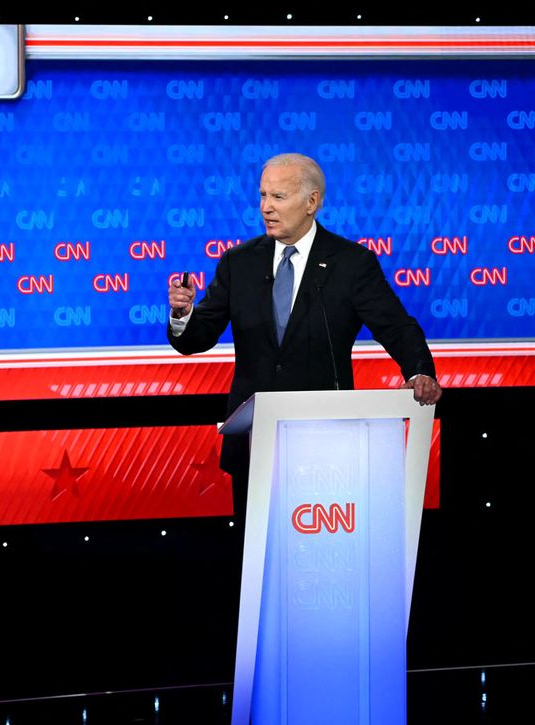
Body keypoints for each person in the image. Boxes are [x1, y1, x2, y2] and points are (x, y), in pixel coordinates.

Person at [167, 153, 441, 515]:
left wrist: (418, 371)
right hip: (255, 442)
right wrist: (184, 314)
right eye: (262, 196)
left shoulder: (351, 263)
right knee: (256, 563)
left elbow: (396, 326)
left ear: (312, 202)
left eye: (278, 197)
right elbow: (196, 338)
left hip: (325, 441)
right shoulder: (239, 262)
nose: (266, 207)